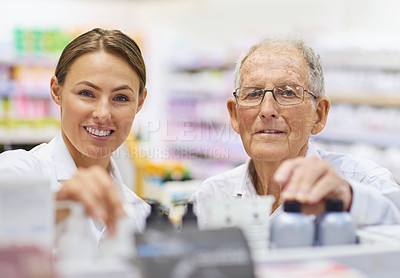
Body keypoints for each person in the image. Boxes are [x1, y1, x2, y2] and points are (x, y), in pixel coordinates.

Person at [193, 37, 400, 229]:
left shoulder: (363, 182)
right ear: (235, 115)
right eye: (253, 94)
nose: (267, 110)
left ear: (319, 115)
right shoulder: (211, 197)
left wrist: (350, 200)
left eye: (288, 92)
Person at [0, 28, 150, 242]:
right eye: (86, 93)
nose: (102, 113)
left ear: (140, 102)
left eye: (121, 98)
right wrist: (51, 210)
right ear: (56, 91)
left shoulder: (140, 215)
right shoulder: (18, 171)